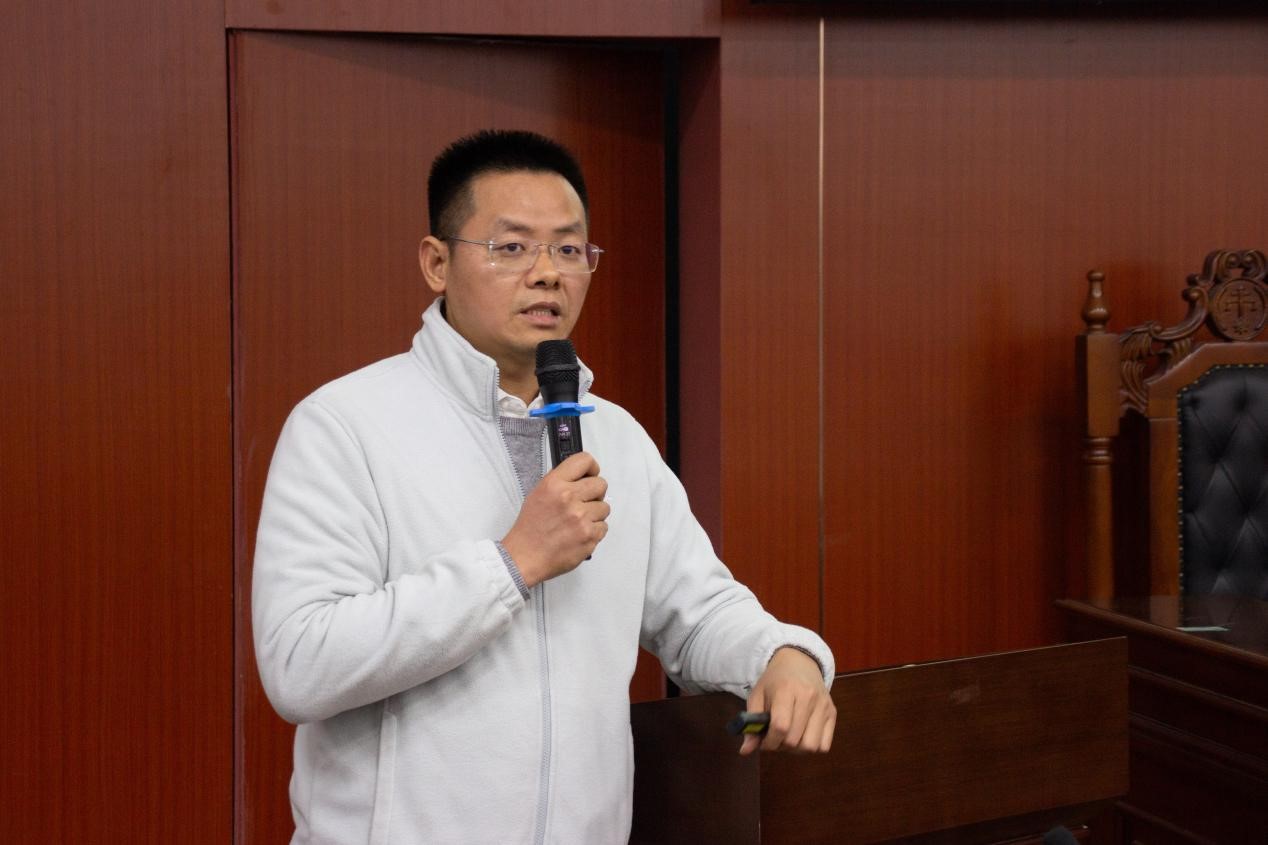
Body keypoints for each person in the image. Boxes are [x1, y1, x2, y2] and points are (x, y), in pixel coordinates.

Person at [252, 129, 836, 845]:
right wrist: (511, 564)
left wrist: (783, 654)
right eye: (511, 247)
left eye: (568, 249)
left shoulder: (616, 435)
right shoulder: (346, 425)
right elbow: (300, 663)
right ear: (436, 263)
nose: (547, 274)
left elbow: (699, 612)